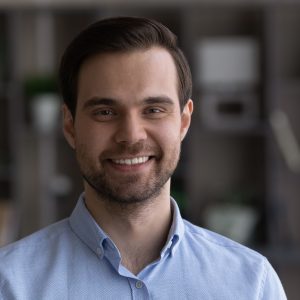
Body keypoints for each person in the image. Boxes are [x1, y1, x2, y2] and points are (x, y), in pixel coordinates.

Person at [0, 16, 286, 299]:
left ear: (184, 122)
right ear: (70, 126)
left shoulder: (251, 284)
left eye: (153, 110)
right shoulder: (10, 283)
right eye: (105, 112)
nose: (131, 135)